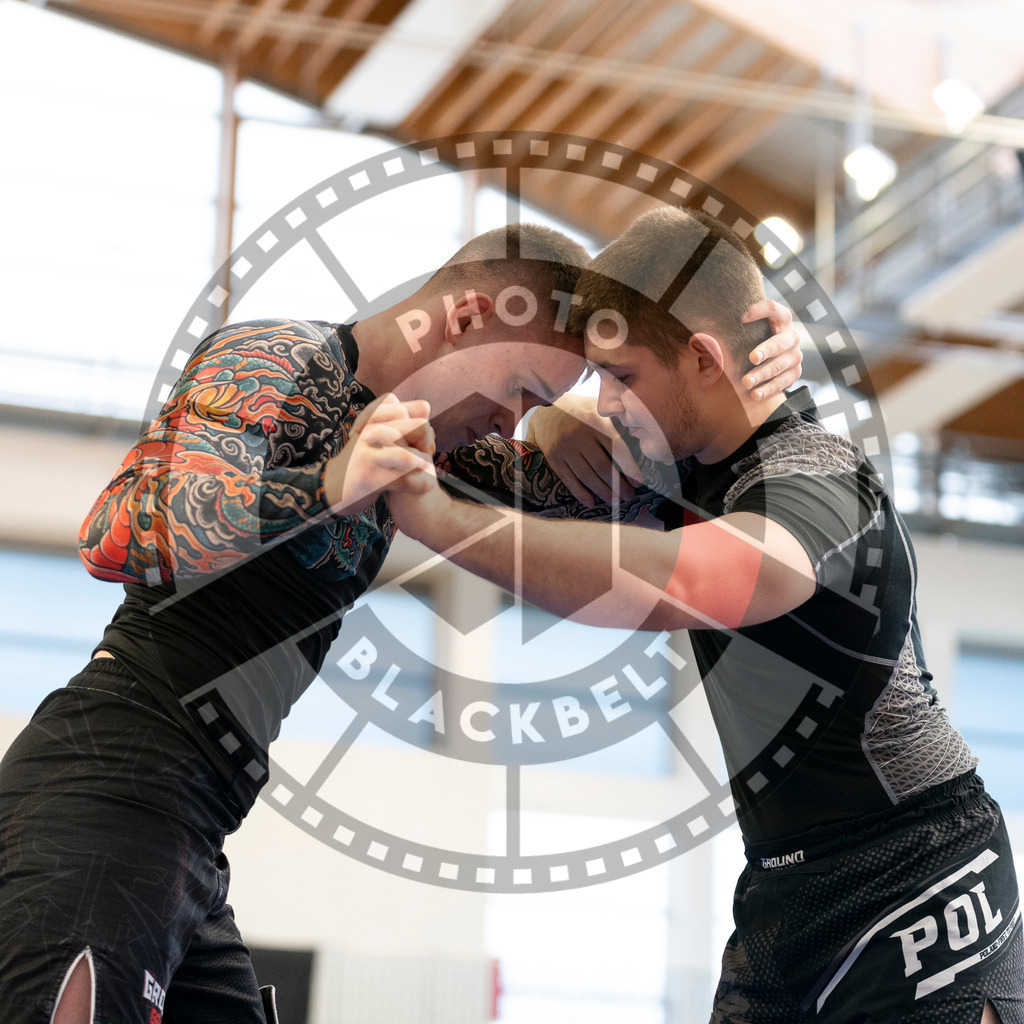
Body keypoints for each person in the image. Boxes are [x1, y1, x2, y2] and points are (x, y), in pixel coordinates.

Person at [0, 221, 802, 1024]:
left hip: (195, 827)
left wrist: (751, 363)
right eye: (522, 388)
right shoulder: (284, 360)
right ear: (463, 319)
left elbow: (657, 504)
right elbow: (115, 530)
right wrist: (324, 486)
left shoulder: (433, 449)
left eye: (538, 407)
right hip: (111, 780)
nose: (512, 423)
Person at [382, 207, 1024, 1024]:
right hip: (782, 893)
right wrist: (544, 414)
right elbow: (469, 449)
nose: (603, 403)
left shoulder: (821, 483)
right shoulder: (673, 469)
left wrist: (441, 524)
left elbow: (702, 580)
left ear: (705, 360)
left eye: (621, 377)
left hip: (917, 870)